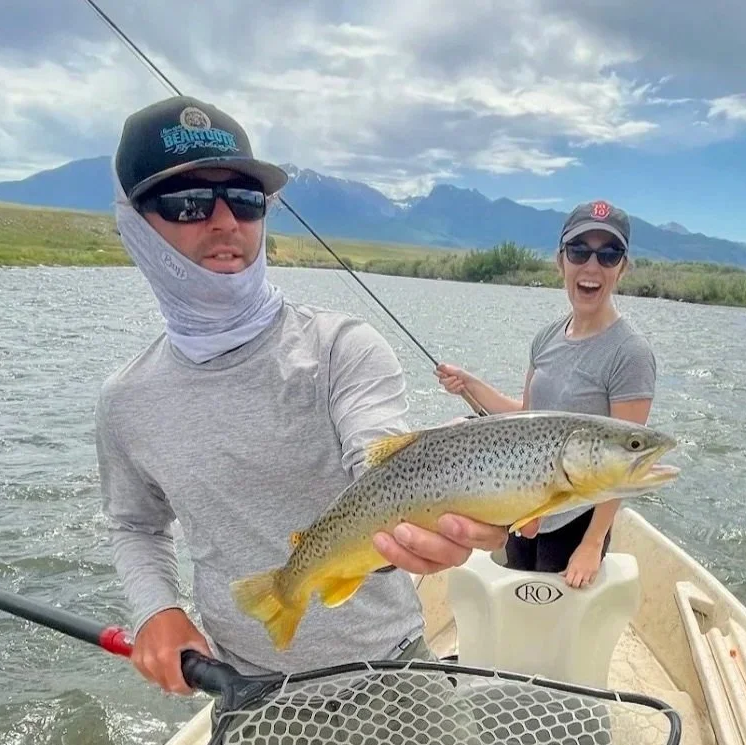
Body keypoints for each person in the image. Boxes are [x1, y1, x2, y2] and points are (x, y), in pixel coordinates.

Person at [96, 95, 536, 697]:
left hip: (394, 666)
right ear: (134, 223)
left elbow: (381, 465)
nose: (225, 222)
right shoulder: (125, 400)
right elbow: (134, 524)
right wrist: (156, 610)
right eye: (188, 202)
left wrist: (435, 518)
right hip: (247, 684)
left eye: (246, 200)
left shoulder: (341, 348)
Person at [436, 200, 657, 589]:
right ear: (560, 261)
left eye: (608, 254)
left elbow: (622, 469)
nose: (592, 266)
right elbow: (525, 416)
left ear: (622, 267)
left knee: (554, 617)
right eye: (579, 251)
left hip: (575, 520)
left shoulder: (631, 354)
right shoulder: (546, 338)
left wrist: (591, 545)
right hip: (525, 507)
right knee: (519, 599)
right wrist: (470, 384)